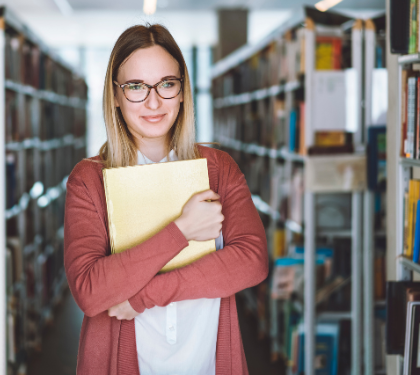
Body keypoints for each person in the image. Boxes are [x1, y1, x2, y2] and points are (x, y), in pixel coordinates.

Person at [64, 23, 268, 375]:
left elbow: (252, 260)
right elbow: (90, 290)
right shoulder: (89, 179)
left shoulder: (218, 168)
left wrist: (141, 296)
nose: (154, 102)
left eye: (167, 85)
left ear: (183, 91)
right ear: (115, 94)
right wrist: (182, 230)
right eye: (136, 87)